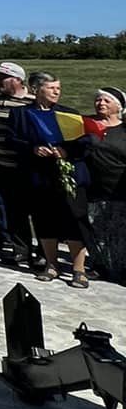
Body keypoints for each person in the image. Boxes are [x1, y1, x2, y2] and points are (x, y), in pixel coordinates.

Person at [11, 73, 90, 286]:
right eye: (51, 87)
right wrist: (33, 149)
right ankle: (51, 264)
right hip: (39, 175)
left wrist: (65, 151)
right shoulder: (20, 114)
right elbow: (13, 140)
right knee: (45, 220)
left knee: (74, 219)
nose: (57, 91)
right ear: (36, 89)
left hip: (69, 175)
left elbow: (84, 143)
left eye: (58, 87)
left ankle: (78, 268)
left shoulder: (69, 113)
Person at [0, 60, 37, 269]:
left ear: (18, 80)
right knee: (11, 209)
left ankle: (39, 251)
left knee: (30, 209)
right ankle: (20, 250)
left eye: (4, 78)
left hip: (22, 165)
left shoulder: (31, 102)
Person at [82, 87, 126, 283]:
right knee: (95, 230)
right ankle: (99, 266)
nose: (101, 104)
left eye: (107, 101)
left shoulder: (124, 129)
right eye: (99, 100)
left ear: (119, 106)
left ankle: (121, 269)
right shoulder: (86, 124)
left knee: (120, 232)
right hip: (93, 186)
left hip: (119, 187)